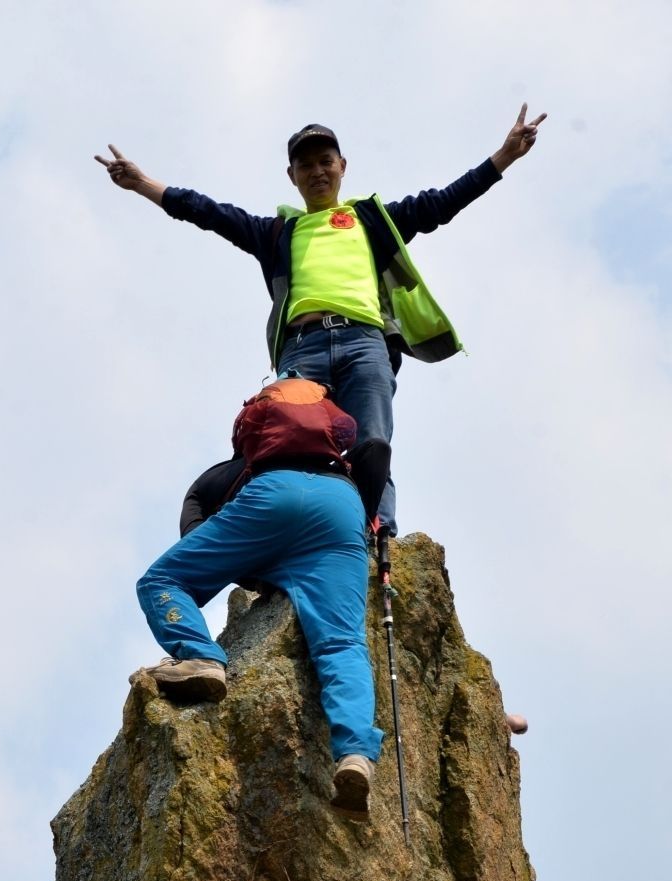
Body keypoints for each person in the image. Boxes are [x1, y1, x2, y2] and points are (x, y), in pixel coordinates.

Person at [96, 109, 545, 534]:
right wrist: (141, 184)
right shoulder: (277, 233)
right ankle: (289, 531)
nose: (317, 171)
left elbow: (440, 204)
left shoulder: (370, 220)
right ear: (292, 176)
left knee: (372, 441)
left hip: (364, 342)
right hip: (301, 350)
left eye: (325, 161)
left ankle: (378, 534)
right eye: (305, 165)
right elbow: (207, 212)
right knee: (285, 446)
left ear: (342, 165)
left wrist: (504, 156)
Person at [137, 377, 390, 816]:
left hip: (271, 499)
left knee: (161, 581)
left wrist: (239, 564)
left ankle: (201, 657)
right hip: (342, 508)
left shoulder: (229, 471)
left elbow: (195, 524)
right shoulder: (340, 451)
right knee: (342, 643)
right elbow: (376, 449)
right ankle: (354, 755)